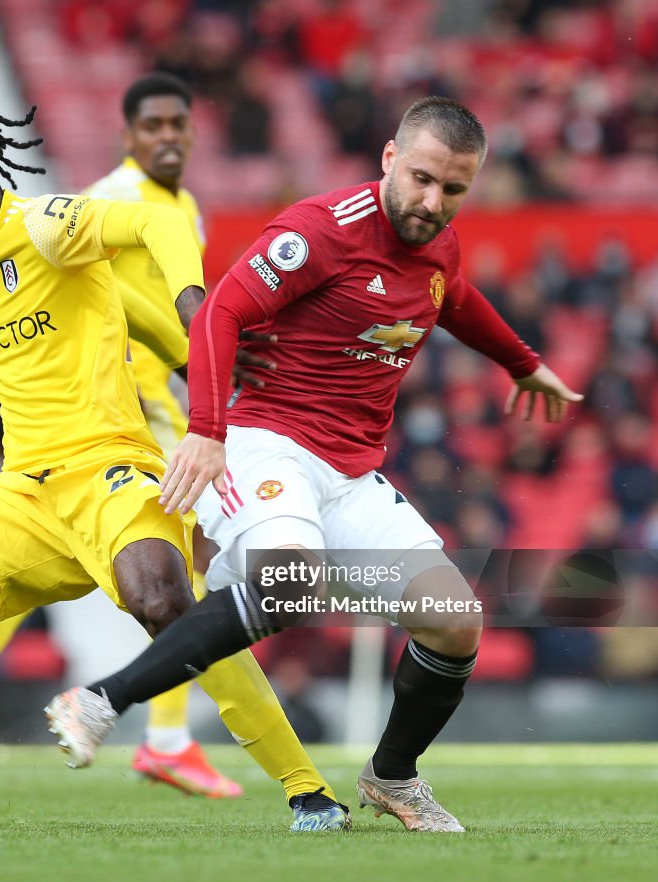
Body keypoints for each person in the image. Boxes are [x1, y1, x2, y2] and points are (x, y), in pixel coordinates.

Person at [45, 96, 584, 833]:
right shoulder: (319, 232)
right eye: (422, 179)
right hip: (265, 439)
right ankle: (99, 700)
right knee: (290, 585)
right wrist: (206, 431)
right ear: (391, 159)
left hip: (350, 470)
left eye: (453, 190)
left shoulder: (439, 245)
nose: (432, 203)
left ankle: (393, 777)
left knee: (456, 621)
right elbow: (219, 312)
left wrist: (524, 366)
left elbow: (452, 298)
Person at [0, 88, 349, 832]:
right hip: (24, 494)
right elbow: (110, 304)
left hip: (112, 473)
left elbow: (153, 219)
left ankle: (306, 789)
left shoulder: (43, 225)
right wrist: (180, 349)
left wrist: (192, 307)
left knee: (164, 600)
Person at [0, 73, 244, 799]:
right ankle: (164, 738)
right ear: (127, 137)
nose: (168, 137)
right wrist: (188, 351)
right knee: (162, 554)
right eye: (153, 126)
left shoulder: (182, 203)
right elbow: (117, 297)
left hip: (148, 397)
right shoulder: (116, 200)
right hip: (116, 402)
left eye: (179, 125)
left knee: (99, 563)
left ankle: (163, 736)